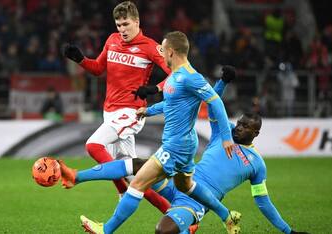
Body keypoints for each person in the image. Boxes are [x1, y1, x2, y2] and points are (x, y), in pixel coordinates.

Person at [58, 69, 308, 234]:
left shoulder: (256, 164)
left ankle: (189, 224)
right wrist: (222, 82)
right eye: (239, 123)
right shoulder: (224, 135)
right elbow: (211, 104)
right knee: (136, 165)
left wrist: (289, 231)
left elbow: (263, 202)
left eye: (246, 127)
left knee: (162, 231)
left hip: (197, 201)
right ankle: (76, 176)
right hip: (179, 183)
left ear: (256, 134)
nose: (239, 128)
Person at [65, 31, 235, 234]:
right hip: (183, 144)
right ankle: (227, 216)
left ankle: (105, 229)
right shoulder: (176, 76)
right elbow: (171, 104)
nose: (160, 54)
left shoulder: (191, 78)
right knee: (187, 186)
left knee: (136, 182)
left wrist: (226, 137)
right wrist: (148, 111)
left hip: (176, 146)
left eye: (162, 50)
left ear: (171, 52)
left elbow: (216, 102)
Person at [61, 1, 171, 213]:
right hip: (110, 111)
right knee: (134, 176)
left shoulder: (150, 47)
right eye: (118, 25)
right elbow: (98, 68)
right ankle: (174, 214)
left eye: (126, 24)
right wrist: (80, 59)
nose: (122, 30)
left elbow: (177, 73)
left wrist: (155, 89)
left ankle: (119, 190)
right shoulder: (112, 40)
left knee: (93, 145)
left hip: (131, 112)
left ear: (137, 22)